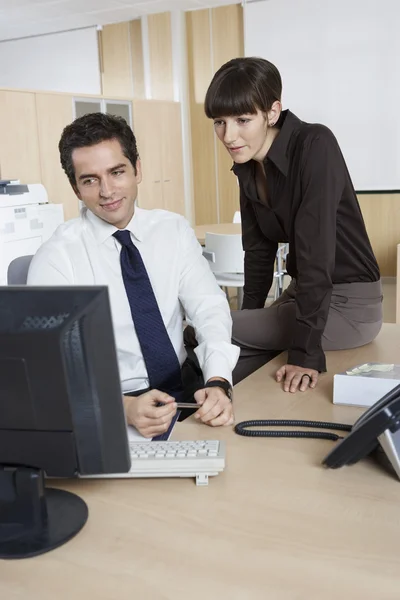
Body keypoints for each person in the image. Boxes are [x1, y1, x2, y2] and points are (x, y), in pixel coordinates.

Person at [27, 112, 239, 437]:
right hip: (111, 406)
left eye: (117, 172)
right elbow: (50, 370)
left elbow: (209, 309)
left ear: (137, 169)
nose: (107, 191)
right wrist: (122, 407)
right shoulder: (56, 259)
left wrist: (219, 380)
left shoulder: (173, 230)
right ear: (75, 187)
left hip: (188, 395)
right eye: (90, 180)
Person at [202, 56, 382, 393]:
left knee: (202, 328)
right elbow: (257, 254)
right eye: (219, 122)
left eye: (242, 119)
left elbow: (316, 257)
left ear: (272, 112)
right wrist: (249, 323)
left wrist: (305, 353)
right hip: (300, 296)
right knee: (227, 356)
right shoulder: (247, 168)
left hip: (347, 306)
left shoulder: (315, 144)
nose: (228, 135)